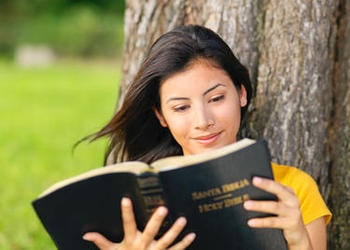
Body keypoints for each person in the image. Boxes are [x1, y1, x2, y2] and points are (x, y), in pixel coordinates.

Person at [82, 25, 331, 249]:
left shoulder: (292, 188)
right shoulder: (138, 205)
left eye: (216, 98)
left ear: (241, 93)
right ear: (161, 116)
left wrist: (299, 240)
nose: (203, 121)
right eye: (181, 108)